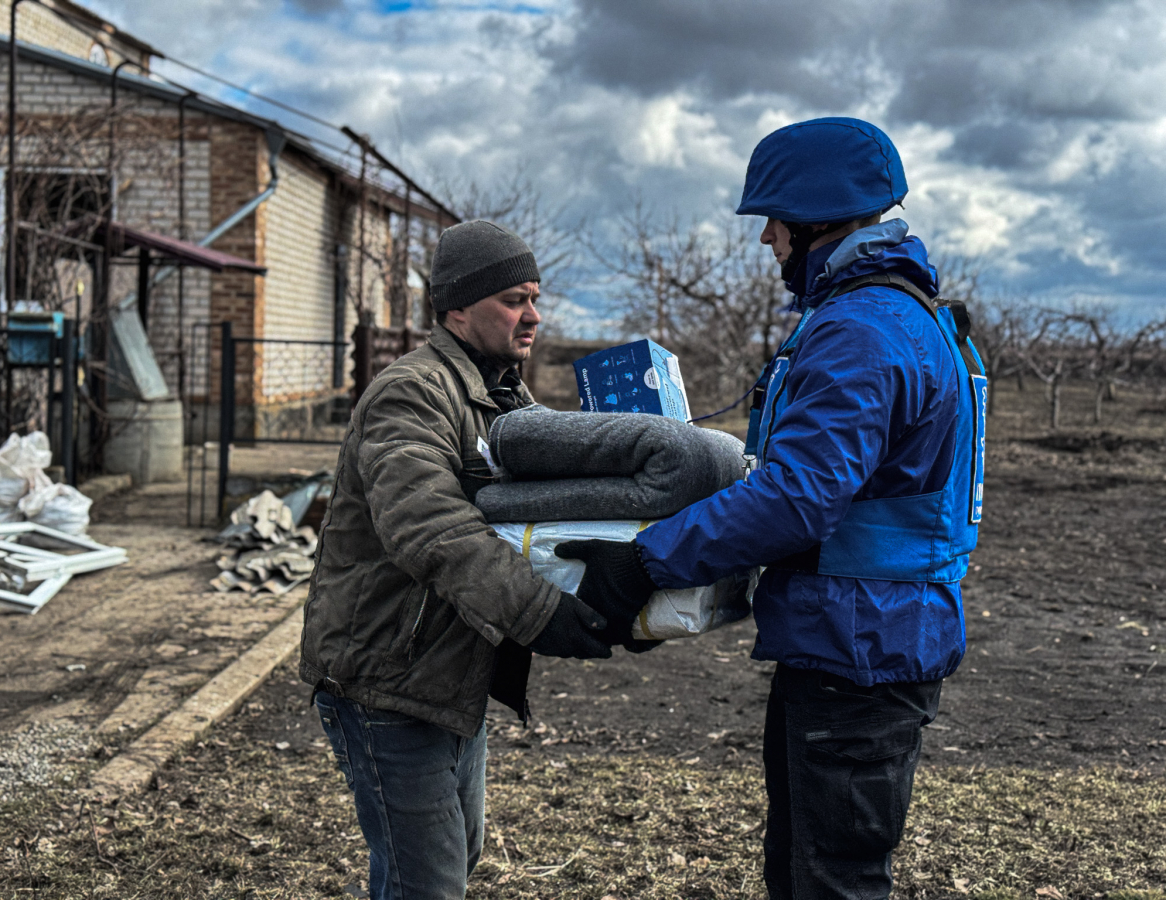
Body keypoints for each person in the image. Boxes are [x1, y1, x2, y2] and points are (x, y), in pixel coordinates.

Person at [557, 117, 987, 899]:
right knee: (805, 871)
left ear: (815, 219)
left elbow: (799, 495)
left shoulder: (861, 330)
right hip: (860, 637)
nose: (767, 242)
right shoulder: (895, 316)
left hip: (859, 649)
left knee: (831, 882)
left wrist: (645, 562)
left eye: (773, 221)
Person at [300, 220, 614, 900]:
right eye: (514, 299)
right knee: (428, 883)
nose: (532, 315)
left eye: (534, 297)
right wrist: (540, 612)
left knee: (452, 860)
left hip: (445, 672)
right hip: (384, 675)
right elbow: (430, 526)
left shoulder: (503, 396)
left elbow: (541, 513)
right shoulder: (412, 392)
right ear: (457, 309)